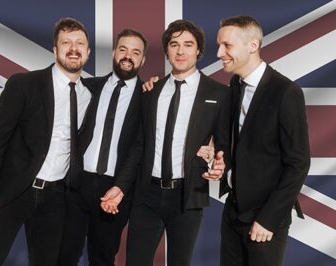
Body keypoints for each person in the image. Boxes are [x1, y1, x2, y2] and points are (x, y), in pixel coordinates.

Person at [101, 19, 230, 266]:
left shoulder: (218, 94)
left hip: (187, 195)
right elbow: (139, 146)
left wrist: (219, 161)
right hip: (146, 194)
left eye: (188, 45)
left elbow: (224, 146)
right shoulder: (151, 91)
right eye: (174, 44)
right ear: (167, 51)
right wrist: (121, 187)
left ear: (199, 51)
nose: (181, 51)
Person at [0, 18, 92, 266]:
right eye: (66, 42)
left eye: (79, 43)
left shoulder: (89, 94)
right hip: (14, 191)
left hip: (55, 198)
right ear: (55, 49)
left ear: (88, 52)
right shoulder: (24, 84)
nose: (73, 48)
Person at [214, 15, 310, 266]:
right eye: (219, 45)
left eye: (227, 45)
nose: (219, 53)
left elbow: (298, 163)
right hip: (233, 211)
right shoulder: (234, 85)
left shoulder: (286, 92)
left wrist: (269, 219)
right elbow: (233, 142)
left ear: (253, 45)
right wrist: (219, 159)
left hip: (265, 215)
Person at [57, 28, 147, 266]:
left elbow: (140, 147)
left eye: (135, 52)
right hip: (77, 184)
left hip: (115, 188)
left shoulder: (150, 97)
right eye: (123, 50)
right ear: (114, 52)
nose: (128, 56)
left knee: (102, 258)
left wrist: (121, 187)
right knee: (64, 255)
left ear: (142, 60)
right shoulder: (88, 86)